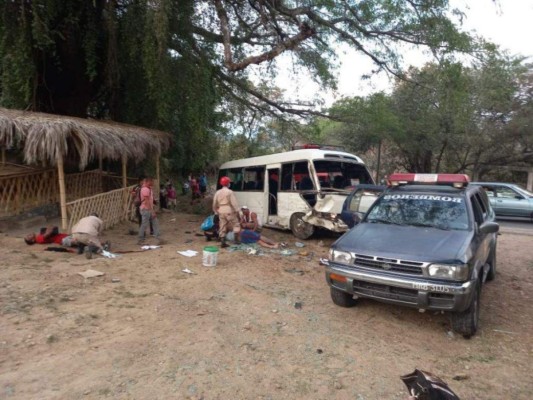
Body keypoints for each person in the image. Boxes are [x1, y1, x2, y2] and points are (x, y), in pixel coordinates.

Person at [212, 176, 240, 248]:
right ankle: (236, 241)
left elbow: (214, 203)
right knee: (236, 224)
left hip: (221, 210)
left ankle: (223, 242)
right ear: (228, 184)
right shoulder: (230, 192)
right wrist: (238, 212)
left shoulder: (217, 192)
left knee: (222, 225)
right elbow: (234, 203)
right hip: (229, 210)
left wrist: (216, 211)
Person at [137, 177, 163, 245]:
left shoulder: (148, 188)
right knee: (144, 224)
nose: (153, 183)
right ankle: (140, 239)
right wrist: (152, 211)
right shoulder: (145, 189)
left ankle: (157, 237)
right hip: (146, 209)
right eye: (152, 182)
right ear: (149, 182)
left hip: (148, 209)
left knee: (155, 222)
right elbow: (147, 201)